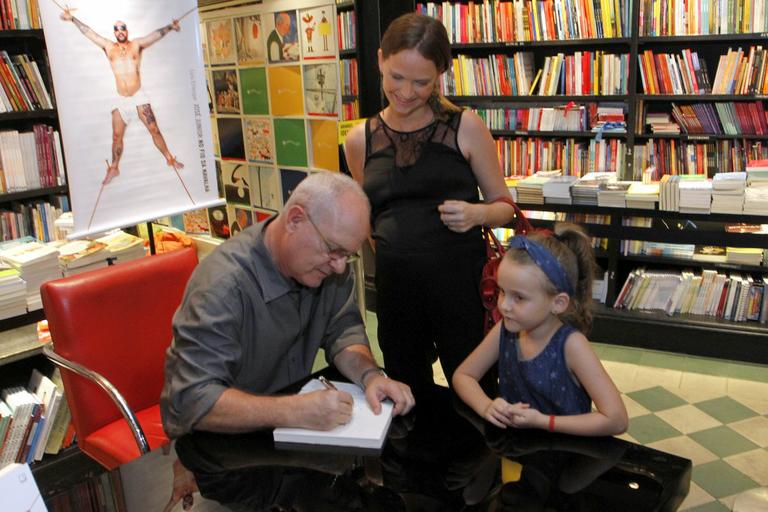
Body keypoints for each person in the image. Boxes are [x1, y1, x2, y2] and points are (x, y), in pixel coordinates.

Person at [160, 172, 415, 438]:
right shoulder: (222, 286)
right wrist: (294, 411)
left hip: (285, 435)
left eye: (347, 255)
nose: (340, 266)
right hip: (219, 445)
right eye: (334, 250)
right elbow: (191, 400)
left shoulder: (326, 267)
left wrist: (370, 376)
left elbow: (342, 330)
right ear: (295, 219)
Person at [343, 13, 517, 402]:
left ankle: (478, 464)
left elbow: (505, 206)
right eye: (395, 78)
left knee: (475, 393)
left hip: (461, 291)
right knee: (405, 395)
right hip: (395, 292)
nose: (406, 92)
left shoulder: (465, 127)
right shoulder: (360, 140)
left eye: (421, 82)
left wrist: (478, 214)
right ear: (379, 61)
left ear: (441, 73)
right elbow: (368, 219)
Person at [452, 223, 628, 436]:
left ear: (558, 303)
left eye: (519, 297)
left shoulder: (572, 345)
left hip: (566, 455)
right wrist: (486, 406)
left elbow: (616, 420)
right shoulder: (505, 330)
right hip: (519, 452)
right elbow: (463, 376)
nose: (504, 305)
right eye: (502, 291)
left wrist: (543, 422)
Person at [59, 9, 184, 185]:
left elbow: (154, 36)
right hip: (120, 97)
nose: (120, 31)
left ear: (127, 30)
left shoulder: (136, 45)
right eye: (116, 29)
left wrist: (171, 26)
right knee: (117, 136)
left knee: (154, 129)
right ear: (114, 32)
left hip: (138, 95)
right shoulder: (109, 47)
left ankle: (169, 158)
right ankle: (114, 168)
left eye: (122, 28)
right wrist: (72, 19)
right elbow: (90, 33)